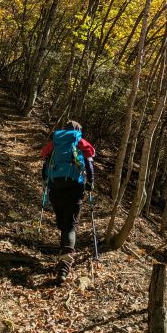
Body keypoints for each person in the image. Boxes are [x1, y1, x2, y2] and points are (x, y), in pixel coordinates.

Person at [41, 120, 95, 282]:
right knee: (70, 226)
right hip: (74, 187)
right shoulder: (79, 142)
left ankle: (62, 256)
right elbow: (90, 164)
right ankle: (64, 265)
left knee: (63, 223)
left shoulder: (55, 142)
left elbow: (45, 162)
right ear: (79, 130)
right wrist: (90, 184)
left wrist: (47, 182)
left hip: (55, 187)